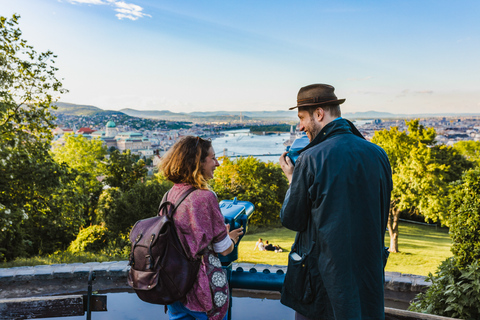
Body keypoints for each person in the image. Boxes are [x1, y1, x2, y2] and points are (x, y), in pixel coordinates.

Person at [279, 84, 392, 320]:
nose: (300, 126)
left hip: (322, 285)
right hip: (368, 279)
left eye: (302, 118)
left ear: (319, 114)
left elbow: (292, 218)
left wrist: (292, 180)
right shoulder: (379, 154)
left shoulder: (311, 157)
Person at [159, 136, 244, 320]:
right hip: (200, 291)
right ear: (198, 163)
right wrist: (231, 238)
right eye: (212, 158)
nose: (217, 163)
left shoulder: (169, 195)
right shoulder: (205, 197)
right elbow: (223, 249)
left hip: (174, 286)